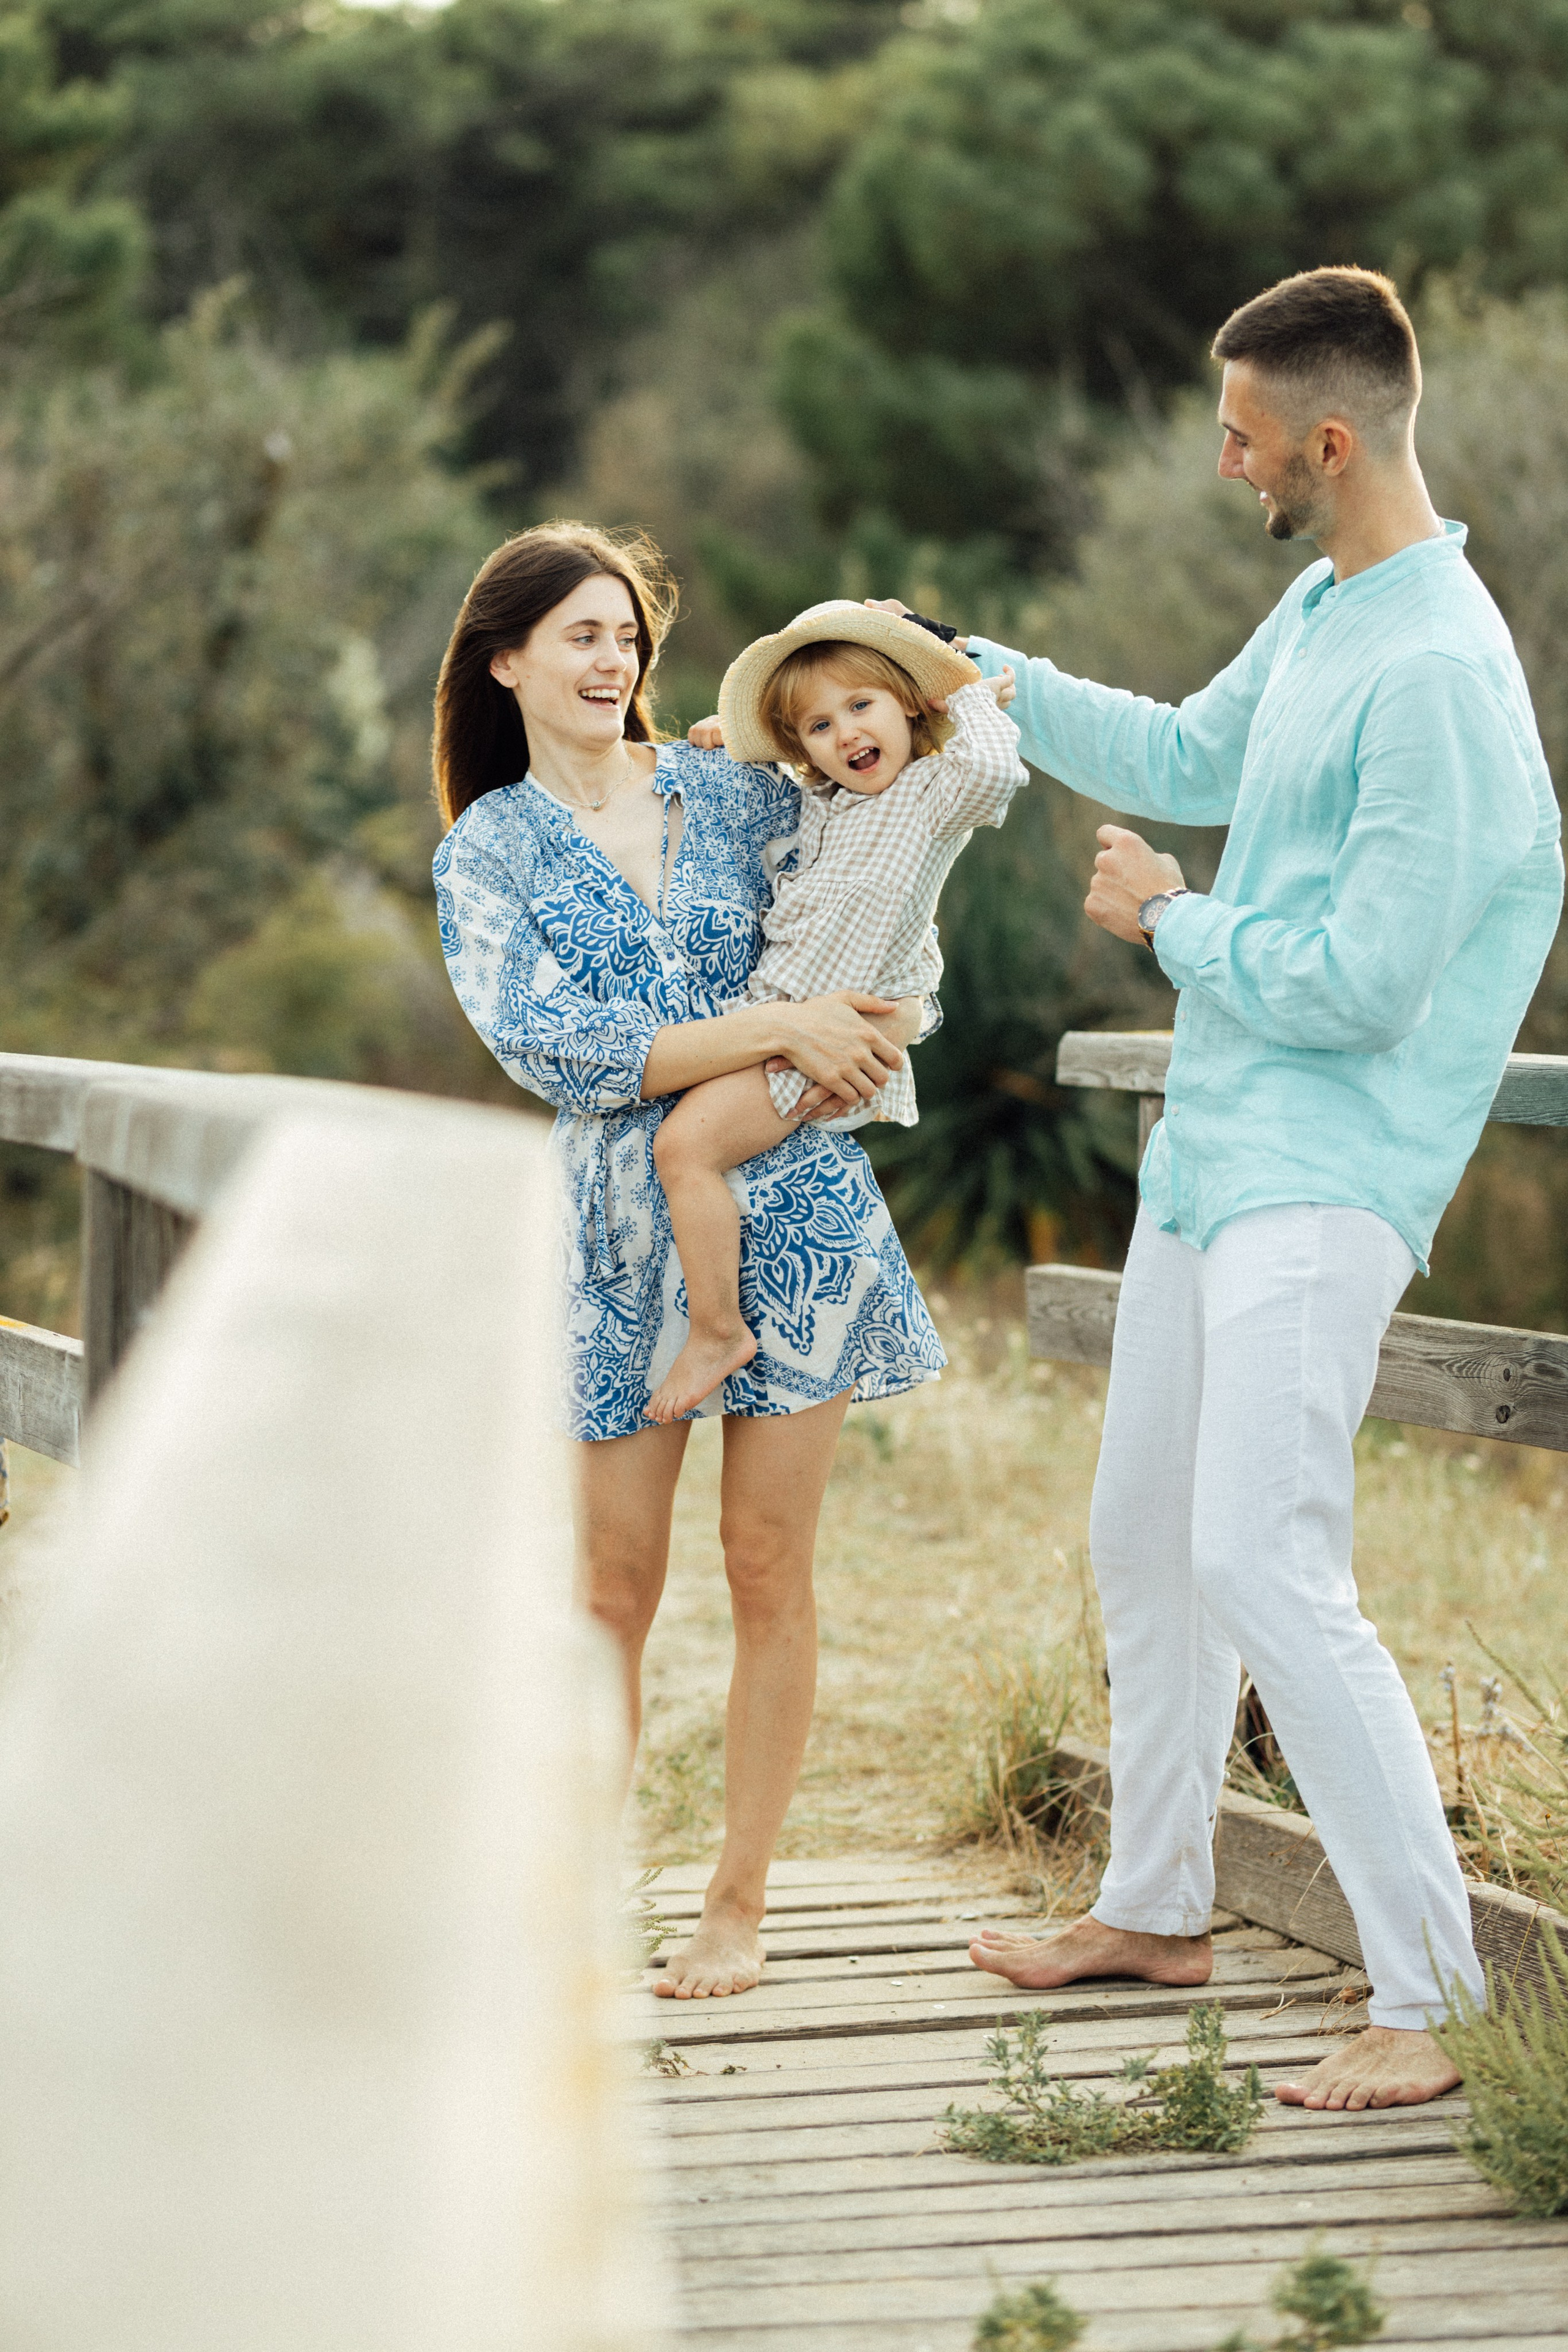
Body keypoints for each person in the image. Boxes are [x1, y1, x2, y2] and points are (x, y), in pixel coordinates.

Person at [872, 268, 1562, 2108]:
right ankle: (1157, 1904)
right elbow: (1189, 751)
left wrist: (1173, 921)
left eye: (1243, 432)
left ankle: (1431, 1994)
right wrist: (971, 672)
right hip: (1213, 1159)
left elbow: (1366, 985)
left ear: (1330, 444)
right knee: (1142, 1541)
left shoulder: (1439, 677)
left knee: (1266, 1557)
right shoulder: (1332, 601)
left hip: (1328, 1182)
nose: (1221, 454)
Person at [432, 523, 946, 1999]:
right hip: (610, 1242)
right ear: (508, 660)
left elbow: (883, 902)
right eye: (579, 636)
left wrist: (863, 1022)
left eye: (625, 636)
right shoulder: (487, 853)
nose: (610, 661)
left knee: (768, 1564)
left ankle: (736, 1905)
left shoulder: (735, 791)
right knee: (610, 1586)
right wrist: (778, 1027)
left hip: (792, 1213)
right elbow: (559, 1050)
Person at [645, 605, 1024, 1424]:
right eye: (819, 725)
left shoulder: (931, 793)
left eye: (862, 706)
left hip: (808, 1052)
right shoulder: (826, 802)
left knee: (685, 1148)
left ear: (906, 707)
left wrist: (962, 698)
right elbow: (777, 778)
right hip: (769, 1020)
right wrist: (729, 737)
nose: (846, 733)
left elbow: (996, 770)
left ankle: (718, 1332)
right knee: (665, 1112)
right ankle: (706, 1306)